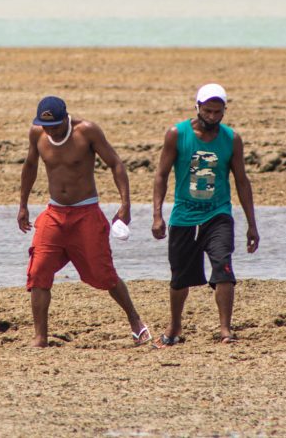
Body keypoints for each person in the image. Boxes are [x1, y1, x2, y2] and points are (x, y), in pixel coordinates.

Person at [18, 95, 151, 348]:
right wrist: (23, 205)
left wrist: (125, 205)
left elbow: (115, 164)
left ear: (65, 118)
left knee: (104, 275)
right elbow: (30, 166)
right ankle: (40, 338)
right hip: (54, 214)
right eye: (46, 126)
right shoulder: (37, 134)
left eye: (55, 126)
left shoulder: (87, 131)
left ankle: (135, 321)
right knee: (38, 272)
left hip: (86, 214)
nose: (50, 131)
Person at [151, 83, 259, 345]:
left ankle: (225, 330)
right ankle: (175, 327)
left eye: (217, 112)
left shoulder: (231, 139)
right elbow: (161, 175)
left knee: (224, 268)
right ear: (197, 107)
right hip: (184, 216)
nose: (212, 117)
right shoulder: (177, 134)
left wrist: (251, 225)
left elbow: (242, 181)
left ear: (224, 111)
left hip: (218, 214)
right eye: (207, 111)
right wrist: (157, 215)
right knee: (179, 278)